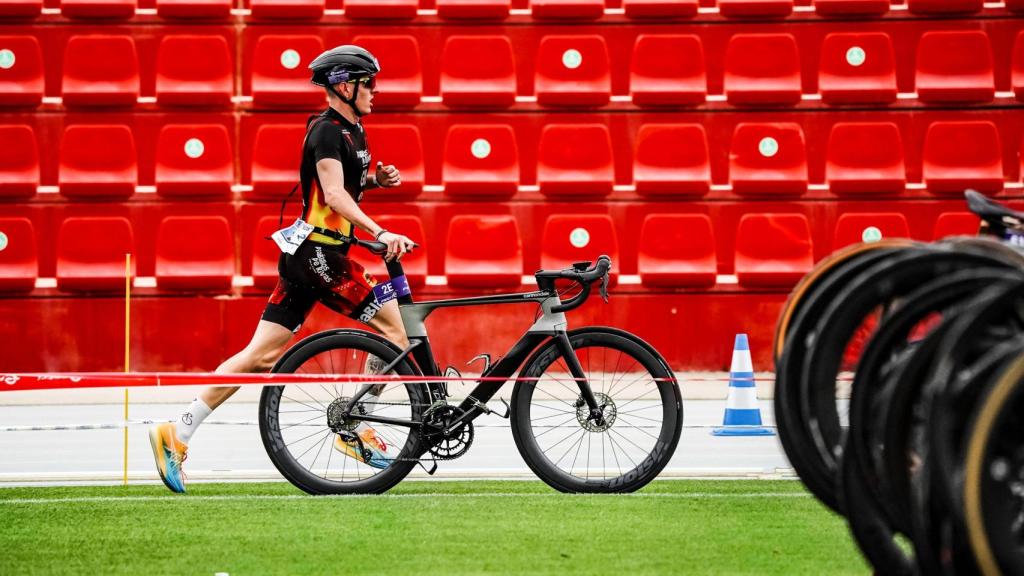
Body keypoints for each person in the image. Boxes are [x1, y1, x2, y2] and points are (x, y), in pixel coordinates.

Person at [149, 45, 417, 494]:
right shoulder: (327, 133)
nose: (375, 90)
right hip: (321, 256)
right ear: (343, 86)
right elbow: (332, 196)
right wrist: (381, 230)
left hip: (310, 256)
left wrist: (376, 180)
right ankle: (357, 425)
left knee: (261, 355)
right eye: (368, 82)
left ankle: (177, 432)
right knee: (398, 334)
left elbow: (341, 184)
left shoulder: (354, 130)